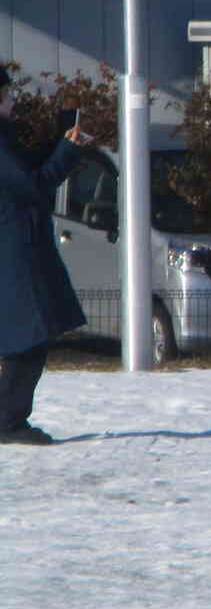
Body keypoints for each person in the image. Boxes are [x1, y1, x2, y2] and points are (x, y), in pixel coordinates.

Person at [0, 68, 90, 447]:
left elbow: (29, 168)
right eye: (6, 93)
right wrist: (67, 152)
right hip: (13, 253)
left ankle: (9, 419)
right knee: (27, 340)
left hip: (18, 249)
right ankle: (8, 422)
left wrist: (61, 143)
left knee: (27, 339)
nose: (12, 100)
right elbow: (32, 186)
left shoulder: (7, 139)